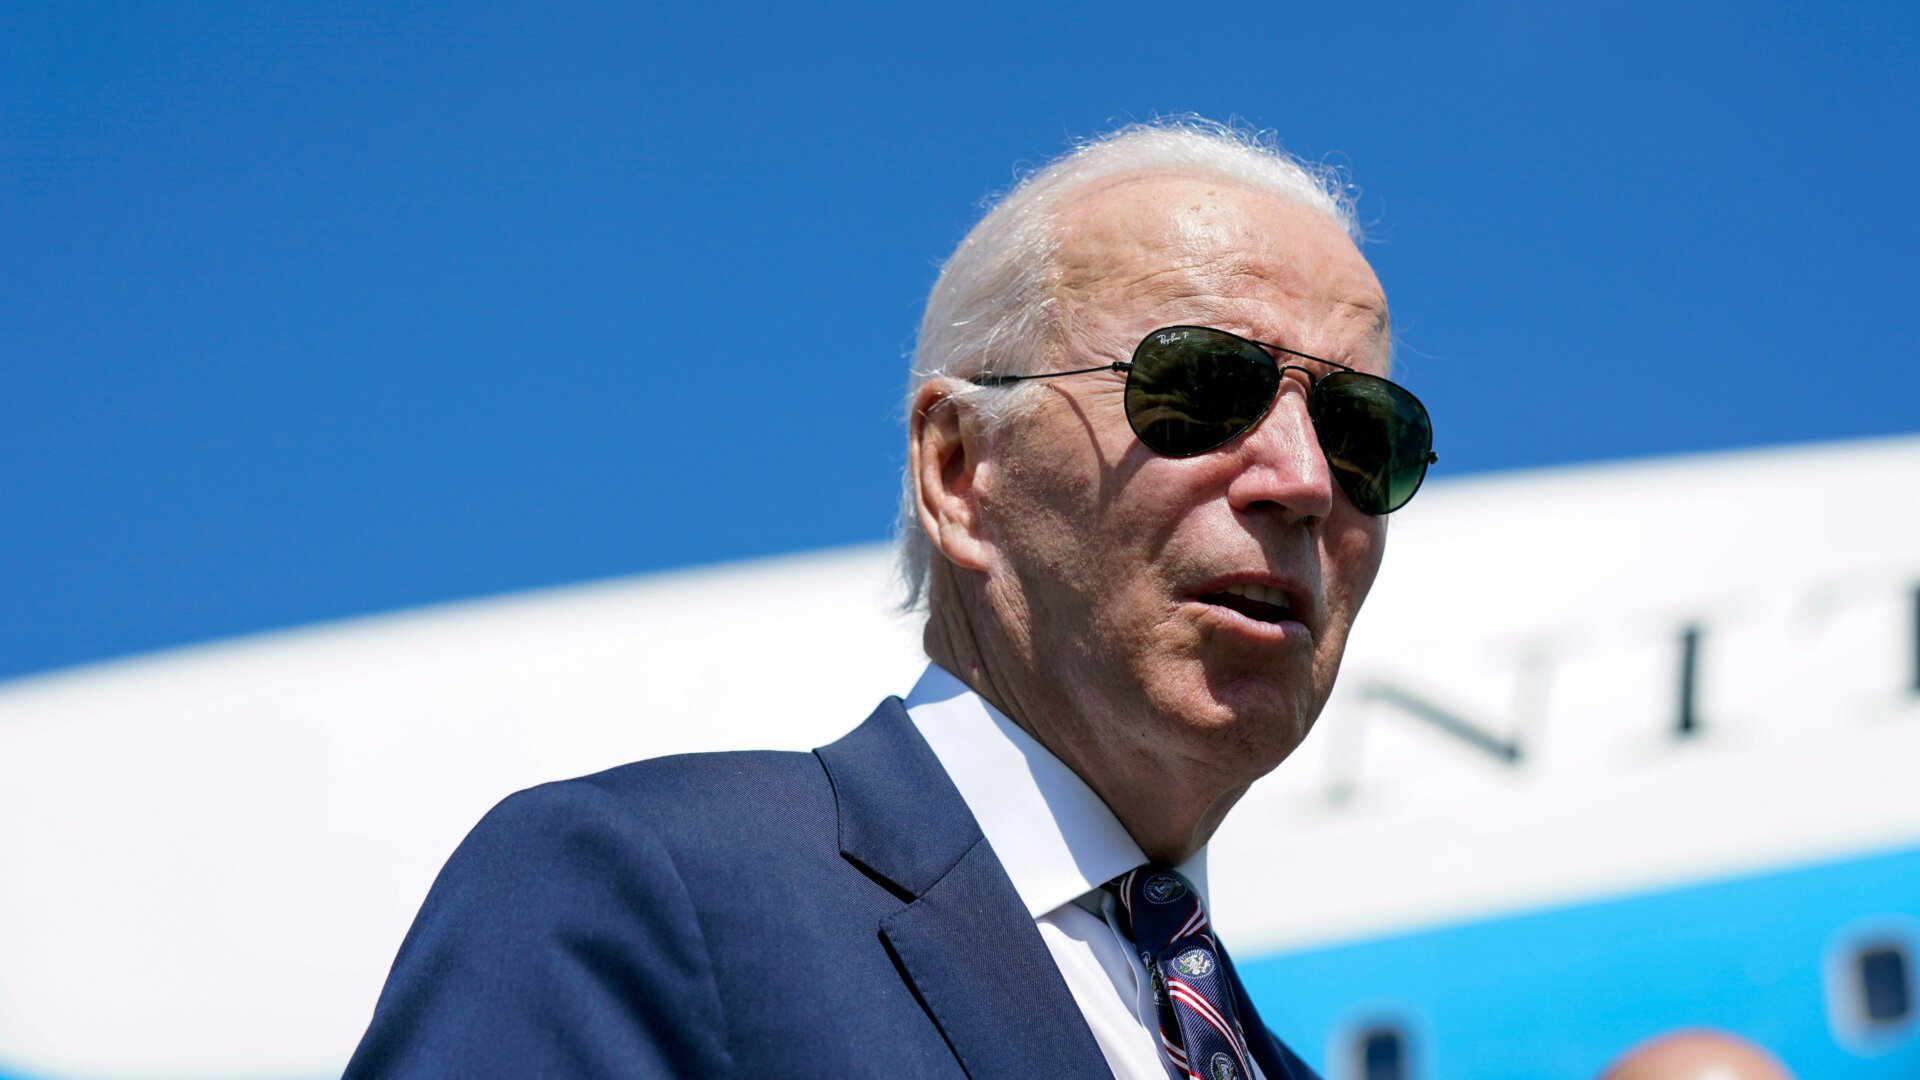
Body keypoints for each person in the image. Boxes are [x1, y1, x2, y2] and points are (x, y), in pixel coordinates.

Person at [345, 118, 1436, 1079]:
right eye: (1203, 385)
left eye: (1362, 434)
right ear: (962, 472)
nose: (1301, 480)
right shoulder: (649, 890)